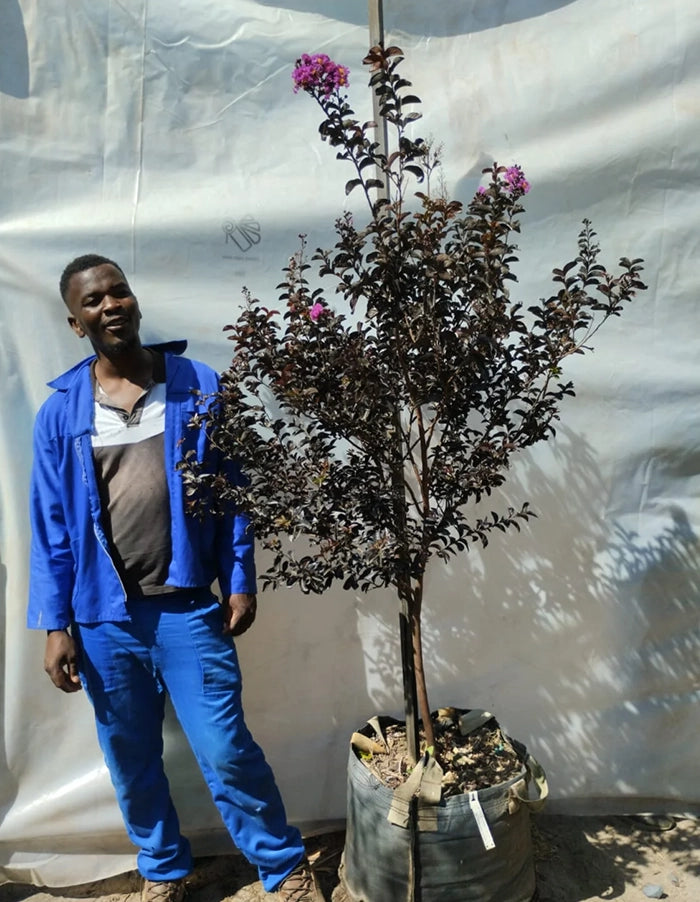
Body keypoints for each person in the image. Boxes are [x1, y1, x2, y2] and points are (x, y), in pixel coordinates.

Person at [28, 254, 321, 902]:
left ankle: (283, 868)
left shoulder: (196, 386)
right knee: (131, 763)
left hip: (189, 610)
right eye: (94, 301)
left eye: (119, 292)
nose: (111, 306)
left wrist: (239, 579)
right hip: (104, 619)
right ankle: (163, 870)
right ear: (77, 324)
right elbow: (50, 530)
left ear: (134, 301)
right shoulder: (61, 414)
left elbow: (235, 493)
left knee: (225, 751)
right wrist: (56, 626)